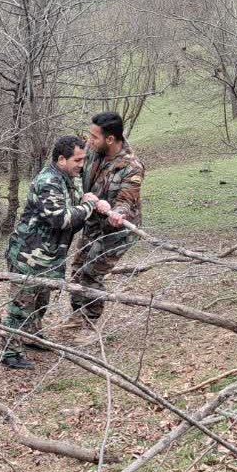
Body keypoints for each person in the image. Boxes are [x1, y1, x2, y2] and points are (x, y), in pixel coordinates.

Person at [0, 136, 102, 370]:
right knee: (21, 305)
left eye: (83, 159)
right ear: (61, 159)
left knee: (40, 302)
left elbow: (71, 217)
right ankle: (10, 352)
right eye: (77, 160)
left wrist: (84, 205)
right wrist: (88, 205)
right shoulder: (49, 181)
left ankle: (31, 337)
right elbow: (60, 219)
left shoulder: (67, 180)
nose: (81, 164)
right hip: (29, 255)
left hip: (49, 255)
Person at [70, 111, 145, 322]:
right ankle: (76, 318)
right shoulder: (91, 150)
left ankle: (89, 323)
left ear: (110, 139)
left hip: (117, 231)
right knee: (77, 269)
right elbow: (76, 172)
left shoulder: (132, 167)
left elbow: (126, 201)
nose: (89, 141)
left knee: (92, 273)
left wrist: (117, 215)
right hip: (93, 223)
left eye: (94, 137)